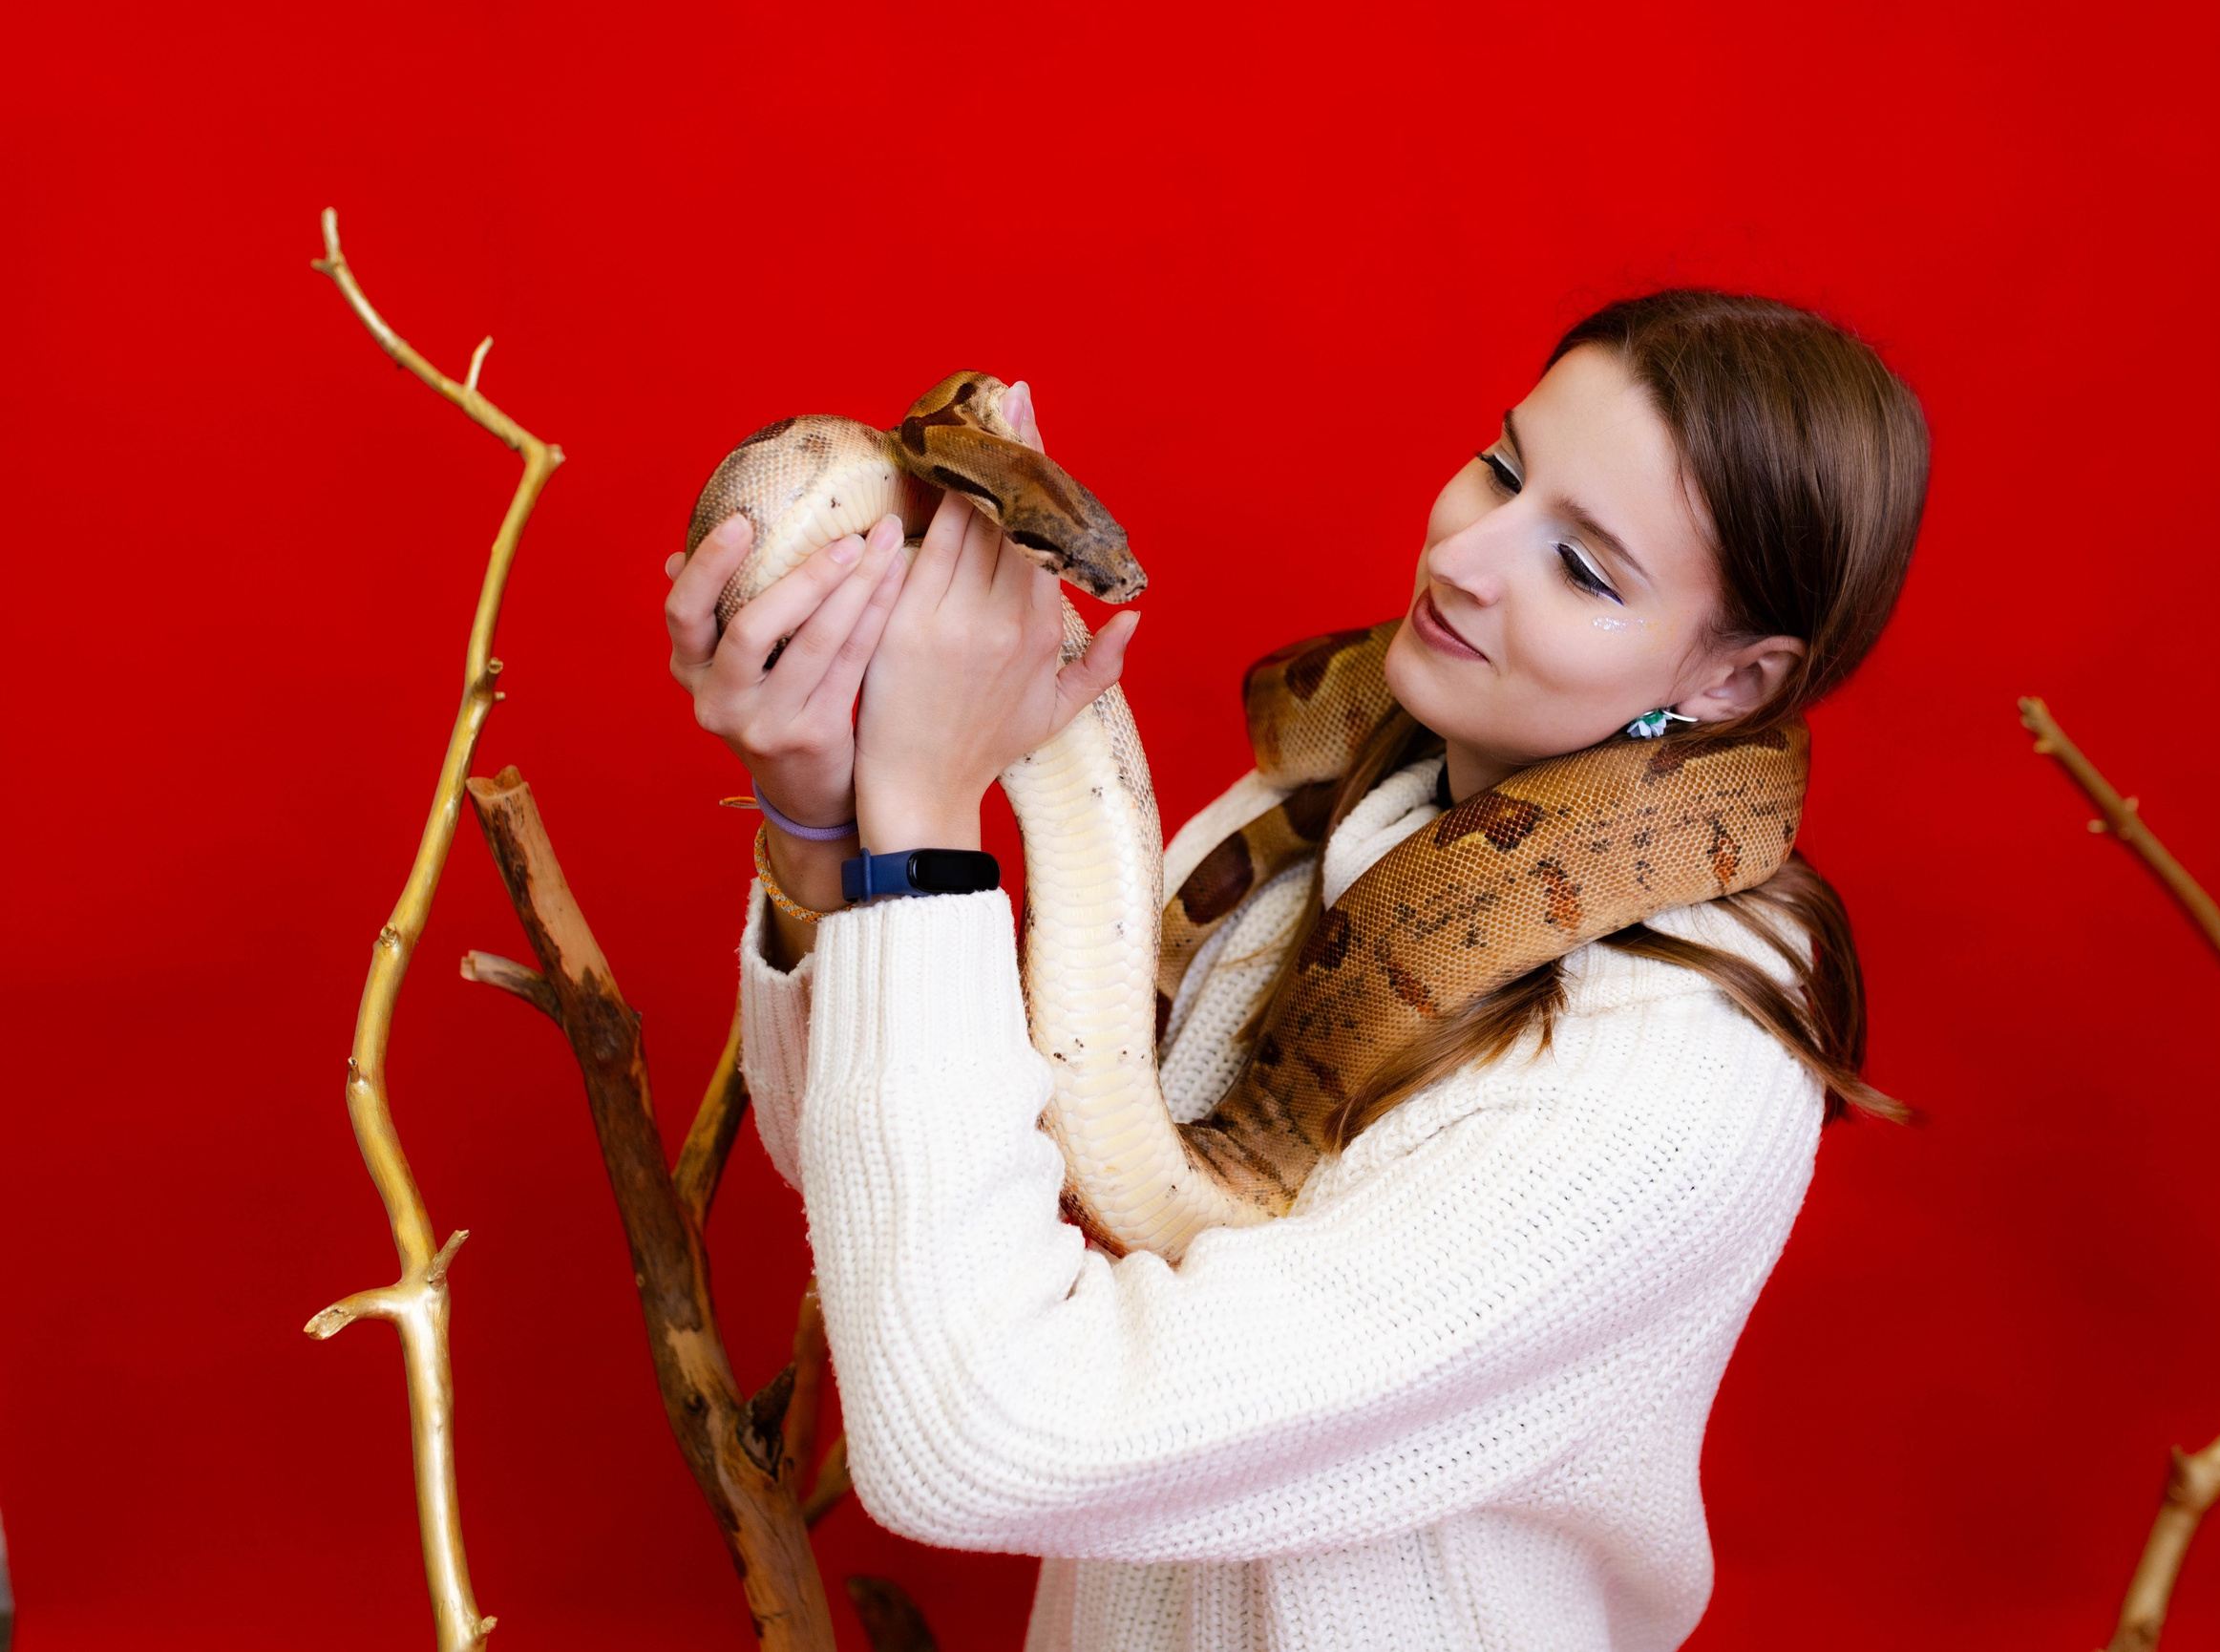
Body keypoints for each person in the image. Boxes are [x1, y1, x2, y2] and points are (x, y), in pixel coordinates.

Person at [663, 291, 1929, 1652]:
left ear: (1738, 685)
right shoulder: (1315, 838)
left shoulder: (1657, 1088)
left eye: (1585, 568)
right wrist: (824, 821)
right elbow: (882, 1196)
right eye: (1502, 469)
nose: (1468, 557)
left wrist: (922, 830)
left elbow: (975, 1430)